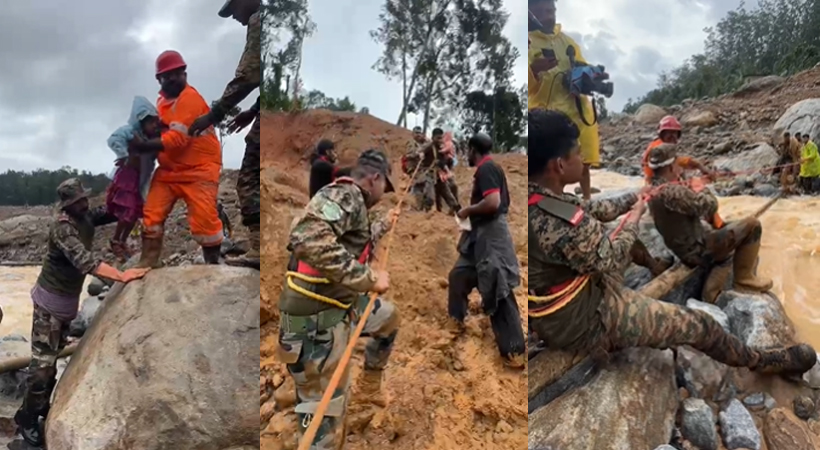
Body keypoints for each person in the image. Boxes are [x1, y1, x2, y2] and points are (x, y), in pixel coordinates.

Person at [527, 108, 816, 386]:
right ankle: (761, 360)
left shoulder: (539, 199)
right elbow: (611, 255)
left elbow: (594, 207)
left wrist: (636, 197)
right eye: (578, 152)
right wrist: (636, 218)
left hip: (569, 296)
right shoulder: (560, 223)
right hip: (587, 318)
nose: (583, 158)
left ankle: (654, 266)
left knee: (627, 241)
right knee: (699, 325)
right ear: (559, 165)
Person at [277, 150, 400, 449]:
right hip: (318, 321)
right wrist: (368, 279)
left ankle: (369, 386)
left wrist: (385, 223)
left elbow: (356, 239)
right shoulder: (345, 194)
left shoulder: (354, 202)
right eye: (385, 187)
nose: (384, 194)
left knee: (388, 318)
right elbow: (307, 237)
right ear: (375, 178)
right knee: (323, 420)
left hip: (340, 306)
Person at [14, 179, 151, 446]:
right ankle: (27, 417)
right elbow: (85, 262)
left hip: (66, 303)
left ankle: (41, 405)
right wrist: (121, 275)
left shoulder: (86, 215)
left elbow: (113, 212)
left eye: (85, 199)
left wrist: (135, 199)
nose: (85, 204)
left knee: (52, 362)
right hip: (48, 305)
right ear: (68, 205)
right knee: (41, 367)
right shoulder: (62, 227)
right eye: (79, 202)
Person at [129, 50, 225, 266]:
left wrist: (142, 145)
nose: (173, 78)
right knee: (151, 215)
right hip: (169, 171)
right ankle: (148, 262)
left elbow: (177, 140)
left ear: (185, 73)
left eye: (177, 73)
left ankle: (213, 265)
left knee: (204, 221)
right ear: (158, 79)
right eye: (167, 75)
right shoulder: (161, 102)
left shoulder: (190, 98)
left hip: (199, 170)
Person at [647, 143, 774, 303]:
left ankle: (711, 292)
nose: (680, 168)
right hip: (697, 251)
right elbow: (710, 206)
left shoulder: (653, 189)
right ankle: (744, 279)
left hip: (682, 247)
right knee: (752, 225)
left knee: (730, 226)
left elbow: (682, 204)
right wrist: (700, 188)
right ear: (671, 167)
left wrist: (688, 185)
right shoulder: (674, 192)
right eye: (678, 164)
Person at [188, 0, 261, 269]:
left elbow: (249, 76)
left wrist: (213, 114)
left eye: (235, 10)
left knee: (250, 178)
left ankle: (260, 246)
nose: (235, 18)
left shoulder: (259, 21)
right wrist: (254, 110)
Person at [447, 133, 526, 368]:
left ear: (473, 149)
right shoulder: (487, 169)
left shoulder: (487, 169)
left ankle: (514, 351)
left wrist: (467, 211)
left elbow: (492, 202)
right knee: (459, 275)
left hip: (491, 237)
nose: (466, 155)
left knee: (497, 286)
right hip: (479, 237)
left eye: (467, 151)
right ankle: (456, 319)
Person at [528, 0, 598, 200]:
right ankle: (550, 204)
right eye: (541, 11)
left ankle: (587, 202)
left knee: (582, 162)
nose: (547, 16)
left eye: (550, 10)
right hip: (545, 116)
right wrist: (534, 69)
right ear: (530, 13)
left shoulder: (568, 42)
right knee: (549, 167)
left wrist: (591, 77)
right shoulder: (527, 42)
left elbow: (582, 66)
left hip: (576, 110)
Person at [105, 96, 162, 262]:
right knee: (127, 211)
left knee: (135, 212)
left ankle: (122, 241)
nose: (154, 126)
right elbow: (114, 139)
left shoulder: (151, 138)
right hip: (127, 178)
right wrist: (123, 154)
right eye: (151, 123)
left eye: (155, 123)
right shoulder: (130, 132)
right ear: (141, 121)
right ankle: (116, 240)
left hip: (139, 179)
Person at [642, 115, 715, 184]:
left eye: (674, 133)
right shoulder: (658, 149)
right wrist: (699, 166)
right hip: (657, 182)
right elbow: (679, 161)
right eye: (669, 133)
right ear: (662, 134)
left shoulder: (664, 147)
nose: (672, 136)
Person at [415, 128, 460, 213]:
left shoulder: (441, 149)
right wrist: (421, 154)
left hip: (438, 174)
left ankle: (456, 210)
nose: (440, 140)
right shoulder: (429, 146)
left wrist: (446, 170)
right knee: (430, 195)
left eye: (441, 138)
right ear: (433, 138)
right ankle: (425, 212)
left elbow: (442, 162)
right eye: (438, 138)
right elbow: (419, 151)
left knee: (447, 192)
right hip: (428, 173)